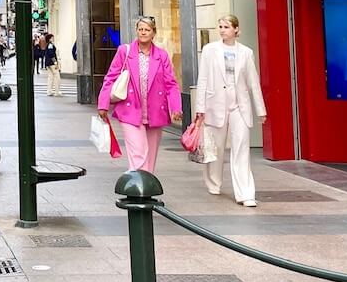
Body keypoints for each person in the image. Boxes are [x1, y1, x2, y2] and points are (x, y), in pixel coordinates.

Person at [194, 15, 267, 207]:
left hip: (239, 106)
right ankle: (214, 182)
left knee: (241, 149)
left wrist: (261, 109)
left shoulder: (246, 53)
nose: (222, 30)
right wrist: (200, 108)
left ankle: (245, 193)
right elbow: (202, 80)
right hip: (215, 104)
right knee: (216, 148)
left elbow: (253, 82)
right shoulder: (210, 50)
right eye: (220, 26)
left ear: (236, 29)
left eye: (226, 27)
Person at [97, 16, 183, 173]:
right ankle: (138, 187)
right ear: (136, 31)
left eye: (147, 30)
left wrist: (176, 107)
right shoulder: (125, 51)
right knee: (138, 152)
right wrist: (103, 104)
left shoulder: (161, 55)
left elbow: (171, 84)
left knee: (150, 155)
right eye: (140, 29)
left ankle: (146, 188)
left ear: (153, 33)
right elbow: (111, 77)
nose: (143, 32)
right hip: (130, 110)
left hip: (156, 111)